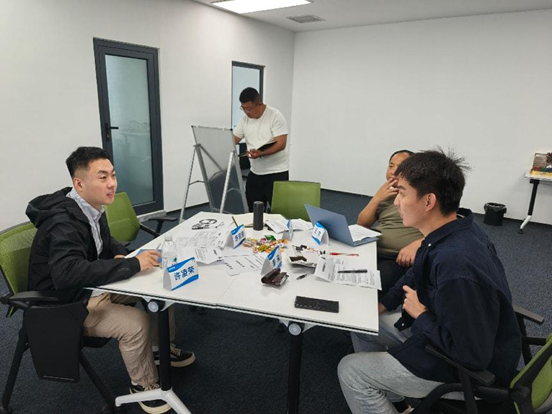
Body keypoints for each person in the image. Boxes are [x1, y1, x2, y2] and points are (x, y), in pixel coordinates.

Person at [338, 150, 521, 414]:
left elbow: (472, 355)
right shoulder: (451, 229)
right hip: (443, 330)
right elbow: (415, 273)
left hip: (467, 369)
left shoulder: (456, 267)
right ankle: (398, 405)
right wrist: (383, 304)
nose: (396, 201)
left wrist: (421, 316)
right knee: (362, 324)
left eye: (402, 194)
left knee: (350, 371)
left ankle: (380, 388)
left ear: (428, 201)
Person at [26, 147, 195, 414]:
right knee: (135, 324)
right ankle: (143, 385)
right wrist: (130, 264)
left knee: (160, 288)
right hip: (66, 303)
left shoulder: (90, 206)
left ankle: (158, 349)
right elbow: (67, 273)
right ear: (79, 184)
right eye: (102, 177)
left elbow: (103, 242)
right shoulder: (63, 222)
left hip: (90, 287)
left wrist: (123, 255)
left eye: (113, 175)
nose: (112, 183)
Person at [357, 150, 423, 294]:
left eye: (400, 167)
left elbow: (447, 226)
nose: (393, 171)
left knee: (368, 284)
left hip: (397, 258)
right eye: (391, 166)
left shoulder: (422, 196)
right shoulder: (387, 193)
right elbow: (362, 224)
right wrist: (376, 198)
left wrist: (418, 244)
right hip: (372, 248)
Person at [233, 87, 289, 212]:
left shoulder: (275, 116)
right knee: (253, 212)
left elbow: (281, 144)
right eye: (243, 108)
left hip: (277, 172)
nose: (246, 112)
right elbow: (233, 140)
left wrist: (262, 153)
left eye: (249, 109)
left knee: (279, 212)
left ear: (259, 104)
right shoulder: (244, 120)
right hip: (255, 172)